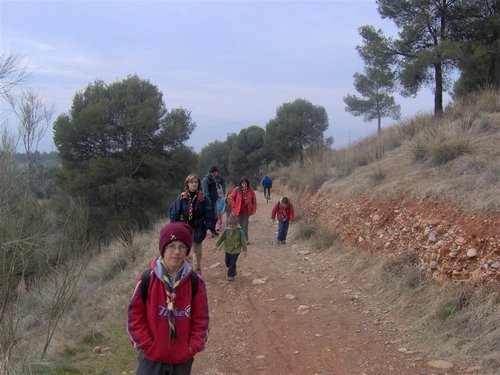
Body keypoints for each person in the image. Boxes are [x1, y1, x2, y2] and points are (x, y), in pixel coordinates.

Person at [127, 222, 209, 375]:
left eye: (182, 247)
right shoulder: (147, 279)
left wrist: (191, 347)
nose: (176, 252)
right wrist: (147, 346)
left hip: (182, 360)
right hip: (151, 358)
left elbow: (202, 320)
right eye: (171, 246)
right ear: (163, 248)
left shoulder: (195, 282)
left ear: (187, 251)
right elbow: (134, 317)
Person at [169, 174, 216, 274]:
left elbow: (209, 213)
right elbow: (174, 212)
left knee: (197, 251)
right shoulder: (182, 197)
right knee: (183, 250)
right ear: (187, 184)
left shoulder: (203, 197)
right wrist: (174, 227)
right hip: (184, 226)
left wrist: (209, 228)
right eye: (191, 182)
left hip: (199, 226)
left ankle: (197, 270)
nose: (194, 184)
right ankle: (183, 271)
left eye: (196, 182)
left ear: (198, 184)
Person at [214, 215, 247, 281]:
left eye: (233, 227)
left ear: (236, 225)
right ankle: (233, 271)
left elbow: (243, 242)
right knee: (227, 262)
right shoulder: (226, 231)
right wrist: (216, 246)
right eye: (230, 226)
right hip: (228, 249)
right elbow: (221, 239)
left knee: (232, 263)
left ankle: (230, 275)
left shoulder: (240, 232)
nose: (231, 228)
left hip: (236, 250)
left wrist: (244, 250)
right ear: (228, 225)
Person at [229, 176, 257, 244]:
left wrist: (254, 209)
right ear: (240, 184)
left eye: (245, 183)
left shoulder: (250, 190)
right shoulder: (236, 189)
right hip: (237, 211)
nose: (244, 185)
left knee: (245, 225)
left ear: (247, 183)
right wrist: (234, 205)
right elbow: (231, 198)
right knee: (238, 225)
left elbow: (254, 200)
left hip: (246, 211)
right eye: (243, 183)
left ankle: (245, 240)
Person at [201, 166, 221, 236]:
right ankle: (210, 231)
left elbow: (214, 190)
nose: (217, 174)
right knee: (210, 216)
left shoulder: (213, 179)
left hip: (214, 200)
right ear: (214, 172)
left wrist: (217, 197)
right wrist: (208, 202)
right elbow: (205, 192)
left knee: (215, 216)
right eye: (217, 172)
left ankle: (213, 230)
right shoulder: (206, 180)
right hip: (209, 201)